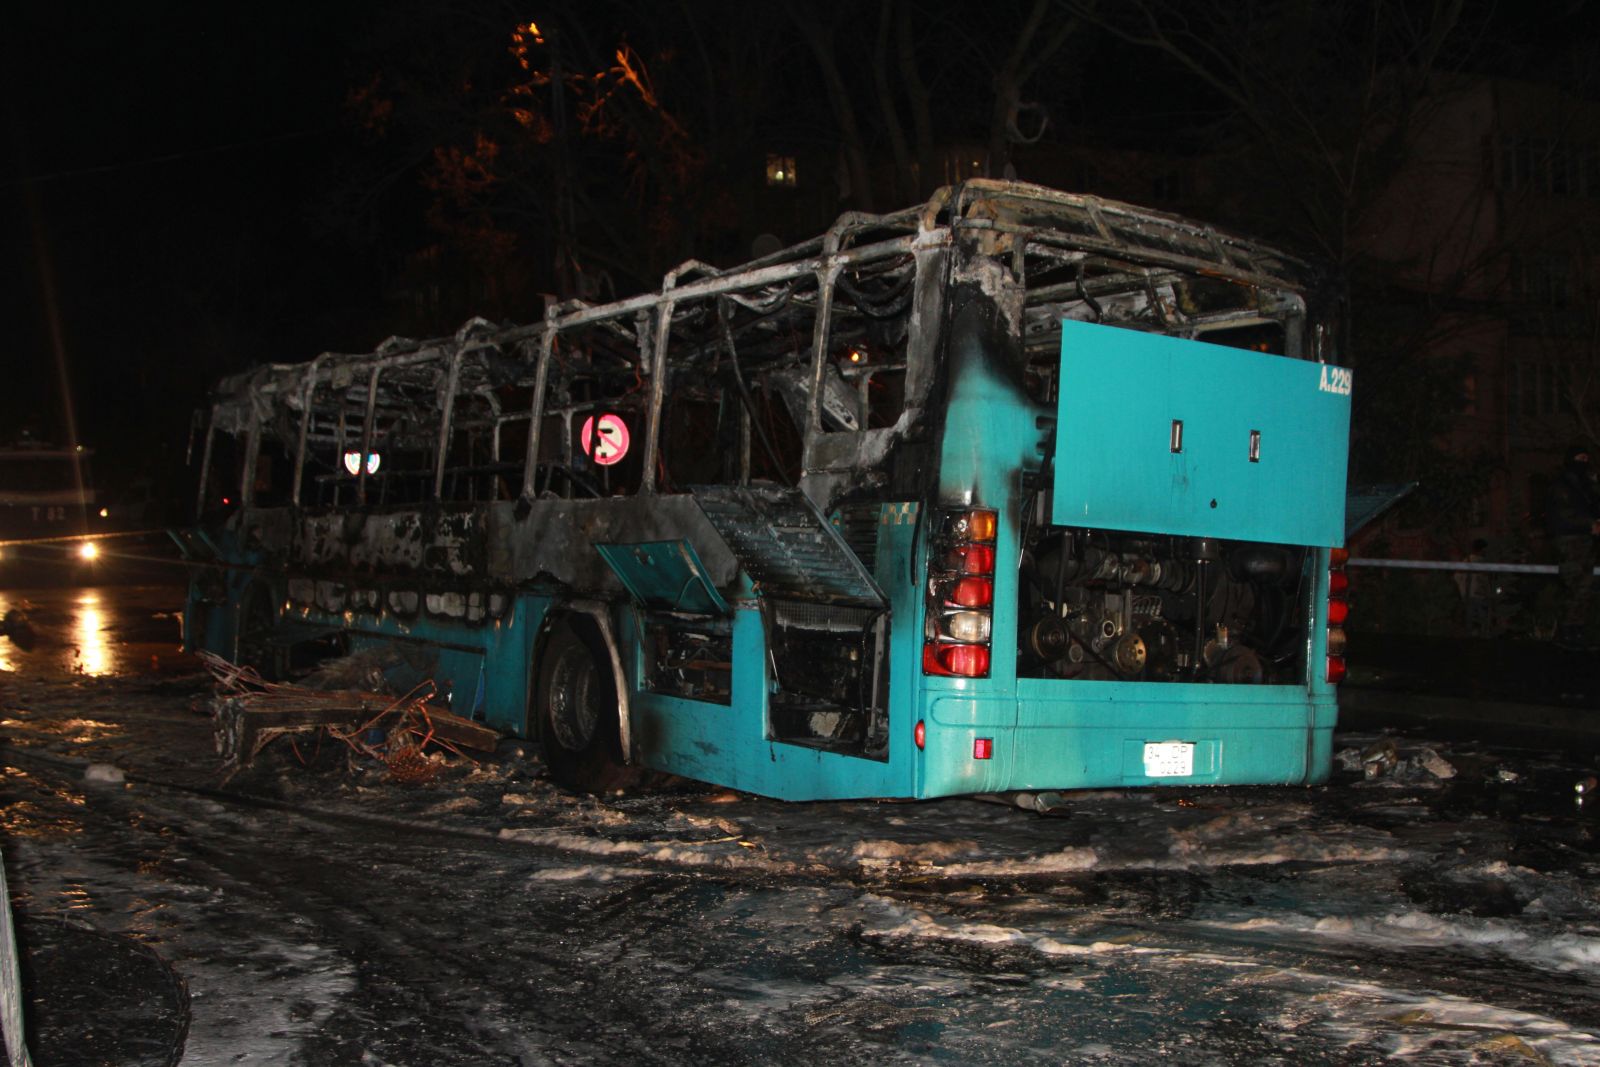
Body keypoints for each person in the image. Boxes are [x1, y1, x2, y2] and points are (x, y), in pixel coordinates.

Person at [1545, 445, 1600, 648]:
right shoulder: (1562, 484)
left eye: (1586, 458)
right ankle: (1566, 631)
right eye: (1580, 458)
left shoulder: (1585, 485)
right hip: (1569, 541)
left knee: (1585, 587)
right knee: (1575, 586)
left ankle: (1576, 630)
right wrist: (1589, 524)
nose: (1584, 462)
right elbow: (1563, 514)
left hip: (1585, 541)